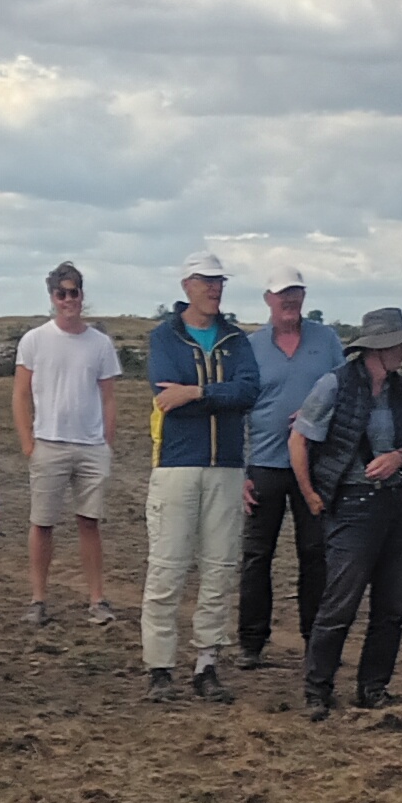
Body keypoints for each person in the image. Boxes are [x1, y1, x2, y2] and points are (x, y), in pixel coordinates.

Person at [292, 309, 402, 719]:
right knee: (340, 604)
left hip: (395, 504)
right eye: (399, 344)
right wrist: (310, 496)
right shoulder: (333, 384)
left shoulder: (400, 390)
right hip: (352, 505)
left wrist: (397, 457)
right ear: (379, 347)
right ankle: (317, 690)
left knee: (392, 607)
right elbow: (299, 439)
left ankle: (373, 688)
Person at [138, 255, 258, 703]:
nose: (215, 289)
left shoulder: (235, 340)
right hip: (177, 464)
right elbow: (165, 395)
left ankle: (207, 664)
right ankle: (160, 667)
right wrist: (205, 397)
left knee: (220, 567)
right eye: (207, 282)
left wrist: (197, 391)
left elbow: (248, 392)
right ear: (187, 284)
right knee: (168, 567)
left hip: (226, 466)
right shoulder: (163, 338)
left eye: (219, 282)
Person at [14, 262, 124, 627]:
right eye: (61, 293)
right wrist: (28, 442)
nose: (68, 300)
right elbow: (20, 395)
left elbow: (109, 397)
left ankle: (97, 599)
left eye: (73, 292)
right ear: (52, 298)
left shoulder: (100, 343)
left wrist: (105, 443)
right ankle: (38, 599)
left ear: (81, 295)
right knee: (42, 523)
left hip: (91, 447)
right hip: (49, 444)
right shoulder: (34, 340)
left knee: (89, 522)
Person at [237, 266, 333, 666]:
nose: (289, 300)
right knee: (258, 555)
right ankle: (251, 643)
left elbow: (343, 391)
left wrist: (318, 418)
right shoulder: (250, 347)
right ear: (268, 300)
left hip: (316, 467)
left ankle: (316, 640)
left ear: (304, 296)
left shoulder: (327, 341)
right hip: (264, 464)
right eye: (282, 294)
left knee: (316, 553)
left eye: (296, 293)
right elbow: (237, 409)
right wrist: (239, 472)